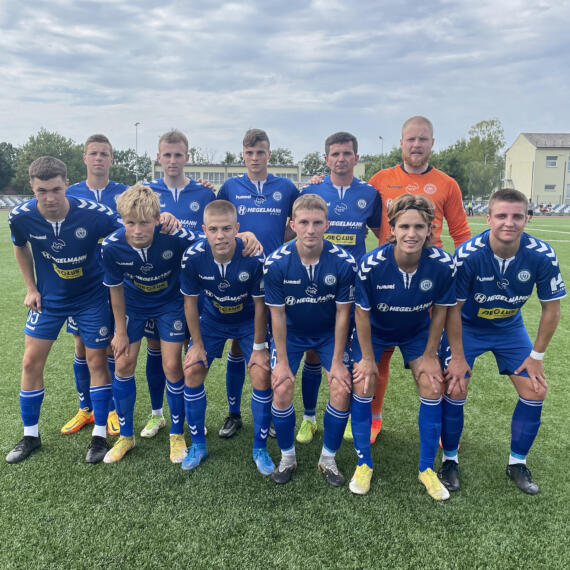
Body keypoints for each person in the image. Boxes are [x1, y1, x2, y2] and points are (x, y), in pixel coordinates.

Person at [438, 188, 565, 495]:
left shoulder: (541, 254)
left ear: (527, 218)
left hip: (509, 328)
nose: (509, 222)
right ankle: (449, 459)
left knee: (535, 390)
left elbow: (552, 309)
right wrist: (458, 356)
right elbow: (452, 310)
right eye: (502, 216)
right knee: (455, 386)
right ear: (488, 218)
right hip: (467, 327)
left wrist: (537, 356)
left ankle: (517, 463)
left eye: (517, 216)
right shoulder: (468, 255)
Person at [144, 130, 261, 440]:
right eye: (167, 154)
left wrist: (246, 235)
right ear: (158, 157)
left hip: (207, 284)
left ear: (187, 157)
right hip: (161, 286)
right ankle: (159, 415)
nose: (172, 160)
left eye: (177, 154)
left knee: (195, 354)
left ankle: (192, 419)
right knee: (159, 351)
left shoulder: (206, 193)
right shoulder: (146, 192)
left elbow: (223, 225)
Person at [6, 156, 122, 464]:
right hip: (49, 299)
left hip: (91, 298)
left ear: (67, 185)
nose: (50, 198)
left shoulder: (95, 214)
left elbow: (132, 229)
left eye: (56, 190)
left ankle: (99, 435)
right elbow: (20, 245)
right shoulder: (21, 216)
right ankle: (30, 435)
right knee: (30, 361)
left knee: (96, 361)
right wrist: (31, 288)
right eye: (42, 191)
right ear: (32, 188)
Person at [365, 116, 471, 443]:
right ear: (401, 143)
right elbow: (362, 213)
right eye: (410, 139)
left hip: (430, 284)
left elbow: (461, 234)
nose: (416, 145)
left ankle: (437, 424)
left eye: (422, 139)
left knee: (432, 356)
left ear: (432, 143)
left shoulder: (447, 184)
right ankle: (374, 418)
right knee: (379, 357)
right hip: (388, 280)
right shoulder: (380, 180)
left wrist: (457, 274)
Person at [350, 193, 458, 498]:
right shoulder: (371, 264)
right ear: (392, 229)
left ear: (430, 229)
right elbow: (361, 313)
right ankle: (363, 463)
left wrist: (430, 355)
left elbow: (441, 311)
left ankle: (426, 469)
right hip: (376, 331)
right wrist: (367, 358)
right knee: (364, 382)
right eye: (404, 226)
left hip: (416, 331)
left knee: (432, 384)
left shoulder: (443, 264)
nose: (411, 234)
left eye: (419, 227)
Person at [100, 184, 202, 464]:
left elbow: (211, 241)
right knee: (123, 363)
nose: (137, 230)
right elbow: (115, 290)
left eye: (144, 222)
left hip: (170, 305)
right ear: (122, 220)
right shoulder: (112, 246)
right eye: (130, 223)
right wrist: (120, 331)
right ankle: (126, 436)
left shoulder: (175, 236)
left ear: (158, 219)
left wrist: (244, 236)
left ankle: (176, 434)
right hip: (134, 306)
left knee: (172, 366)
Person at [264, 194, 357, 487]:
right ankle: (287, 457)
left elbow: (343, 313)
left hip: (329, 333)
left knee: (341, 387)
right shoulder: (276, 263)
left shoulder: (344, 262)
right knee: (281, 386)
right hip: (291, 334)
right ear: (292, 225)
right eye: (303, 222)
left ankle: (328, 459)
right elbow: (277, 315)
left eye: (317, 223)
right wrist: (281, 362)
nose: (311, 230)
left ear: (327, 224)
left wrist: (338, 361)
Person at [297, 132, 381, 445]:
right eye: (335, 154)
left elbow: (382, 233)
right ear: (326, 159)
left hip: (354, 284)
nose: (341, 159)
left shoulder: (370, 193)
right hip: (317, 283)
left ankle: (348, 416)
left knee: (351, 352)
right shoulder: (312, 190)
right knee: (313, 353)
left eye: (347, 153)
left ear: (356, 158)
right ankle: (308, 418)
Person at [179, 200, 274, 476]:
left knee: (261, 373)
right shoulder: (193, 257)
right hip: (213, 320)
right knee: (192, 370)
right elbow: (190, 303)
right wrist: (197, 345)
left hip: (247, 321)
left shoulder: (254, 257)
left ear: (237, 228)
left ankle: (260, 448)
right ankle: (198, 445)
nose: (220, 236)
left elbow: (261, 306)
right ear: (204, 230)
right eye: (213, 229)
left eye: (226, 229)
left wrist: (259, 347)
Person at [216, 128, 299, 439]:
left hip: (276, 274)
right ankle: (234, 413)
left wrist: (278, 239)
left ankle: (275, 412)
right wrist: (241, 239)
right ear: (243, 155)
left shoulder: (287, 187)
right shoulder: (229, 187)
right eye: (249, 153)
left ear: (269, 154)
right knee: (240, 344)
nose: (254, 158)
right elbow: (218, 224)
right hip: (240, 275)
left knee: (275, 344)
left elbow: (298, 221)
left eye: (260, 152)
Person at [62, 134, 127, 437]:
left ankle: (111, 409)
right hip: (81, 284)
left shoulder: (124, 193)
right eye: (93, 153)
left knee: (112, 344)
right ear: (85, 158)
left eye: (104, 153)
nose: (99, 158)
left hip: (116, 281)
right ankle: (85, 408)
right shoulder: (71, 193)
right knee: (80, 345)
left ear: (111, 159)